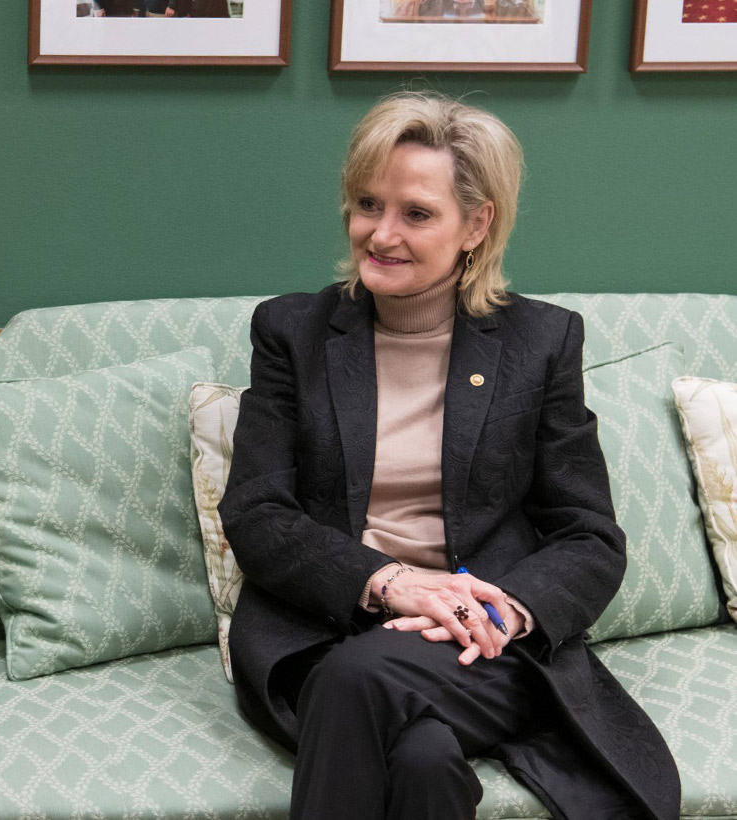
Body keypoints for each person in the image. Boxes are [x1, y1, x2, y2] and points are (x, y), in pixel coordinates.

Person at [218, 91, 679, 820]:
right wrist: (392, 582)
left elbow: (590, 536)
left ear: (477, 223)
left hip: (480, 644)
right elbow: (256, 511)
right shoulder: (292, 332)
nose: (381, 233)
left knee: (356, 682)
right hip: (330, 624)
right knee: (423, 761)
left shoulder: (541, 342)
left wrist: (504, 611)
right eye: (368, 203)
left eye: (417, 213)